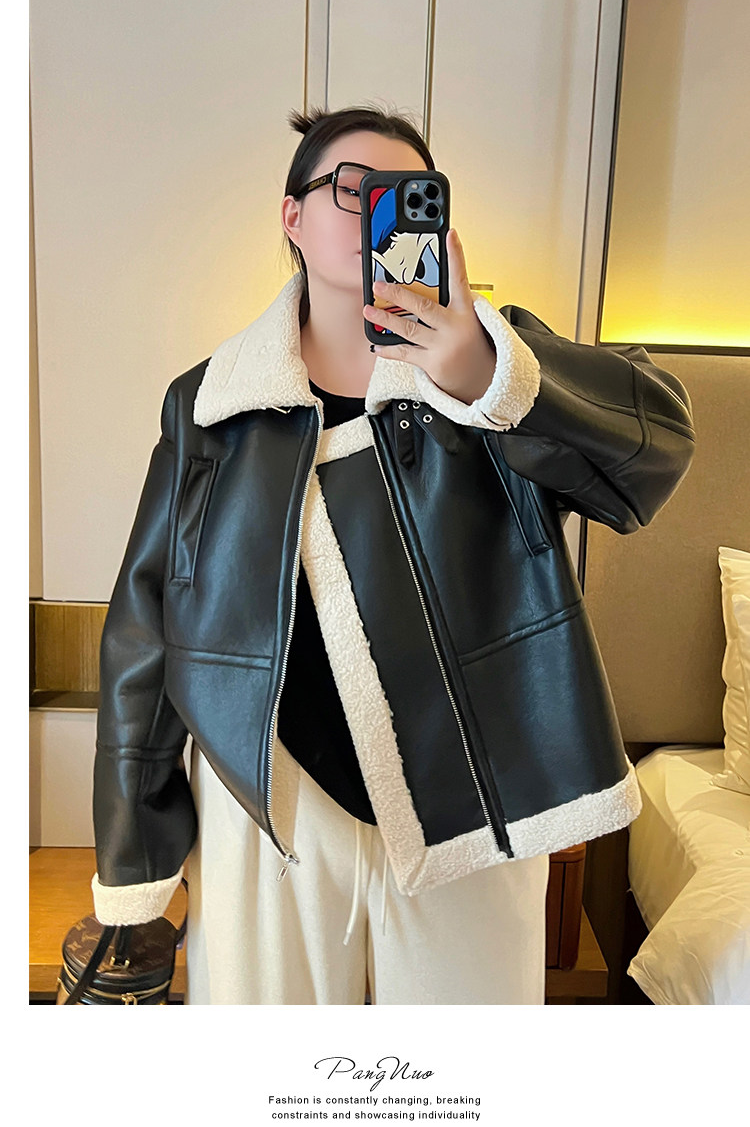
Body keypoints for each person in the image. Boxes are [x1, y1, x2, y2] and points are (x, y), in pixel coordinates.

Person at [90, 105, 696, 1005]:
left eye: (404, 192)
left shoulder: (493, 359)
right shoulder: (211, 406)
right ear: (293, 218)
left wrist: (482, 371)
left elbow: (657, 448)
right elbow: (145, 632)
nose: (374, 205)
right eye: (350, 188)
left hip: (475, 793)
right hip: (272, 806)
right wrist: (135, 866)